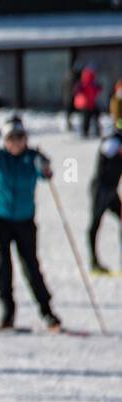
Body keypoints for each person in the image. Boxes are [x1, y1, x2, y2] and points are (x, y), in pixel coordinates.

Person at [0, 116, 61, 331]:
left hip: (25, 221)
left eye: (20, 138)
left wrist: (45, 167)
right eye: (11, 139)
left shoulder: (33, 157)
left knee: (31, 266)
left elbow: (46, 174)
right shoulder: (0, 157)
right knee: (3, 266)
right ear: (5, 141)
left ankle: (47, 313)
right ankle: (7, 313)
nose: (16, 143)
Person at [87, 123, 122, 274]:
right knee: (95, 225)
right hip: (100, 190)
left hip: (111, 191)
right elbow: (107, 149)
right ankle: (94, 261)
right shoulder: (113, 141)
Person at [73, 67, 102, 139]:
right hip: (86, 104)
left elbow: (96, 92)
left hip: (90, 103)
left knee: (93, 117)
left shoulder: (90, 84)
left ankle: (93, 131)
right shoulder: (85, 84)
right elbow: (77, 91)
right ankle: (87, 132)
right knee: (87, 119)